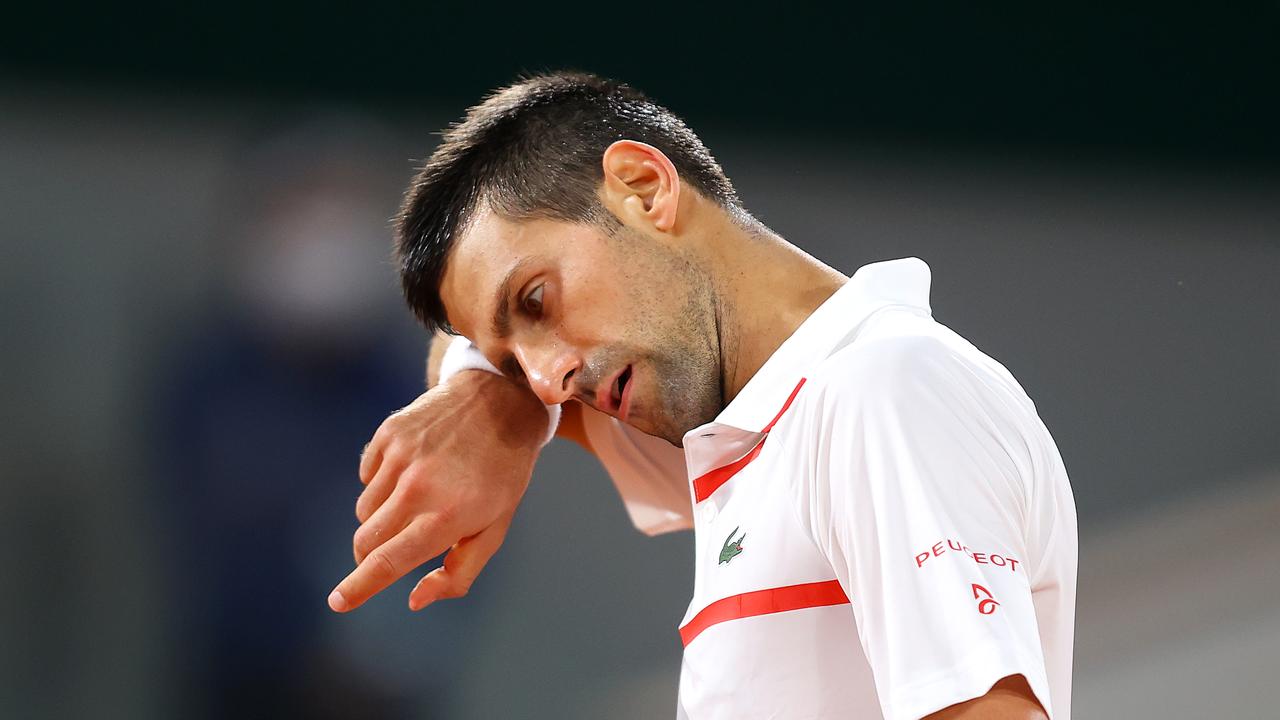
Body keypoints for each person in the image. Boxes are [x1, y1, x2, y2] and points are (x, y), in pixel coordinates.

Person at [328, 72, 1077, 720]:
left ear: (644, 190)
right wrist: (487, 388)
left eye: (535, 299)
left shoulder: (881, 392)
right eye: (516, 364)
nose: (549, 379)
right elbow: (454, 359)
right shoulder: (740, 421)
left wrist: (498, 389)